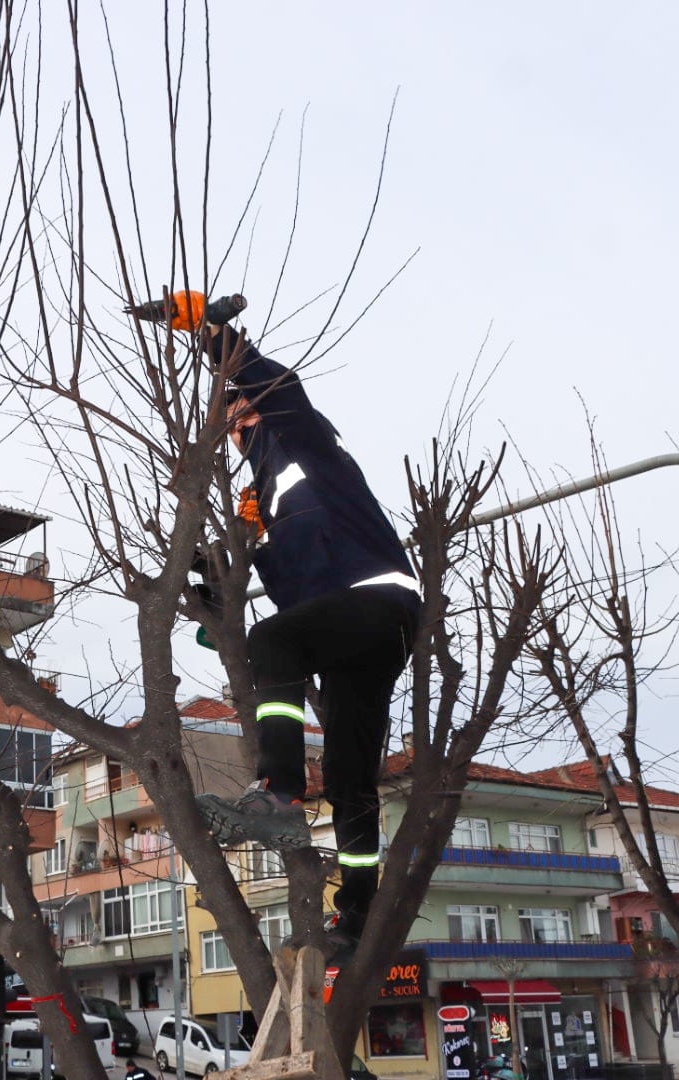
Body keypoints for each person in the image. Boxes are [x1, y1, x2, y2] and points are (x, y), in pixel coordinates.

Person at [192, 324, 421, 951]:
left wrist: (218, 340)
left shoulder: (306, 443)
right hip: (355, 636)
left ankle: (281, 790)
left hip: (377, 601)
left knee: (274, 642)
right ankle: (357, 917)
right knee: (350, 778)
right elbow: (283, 591)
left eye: (236, 412)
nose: (232, 426)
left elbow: (281, 387)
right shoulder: (267, 502)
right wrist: (218, 579)